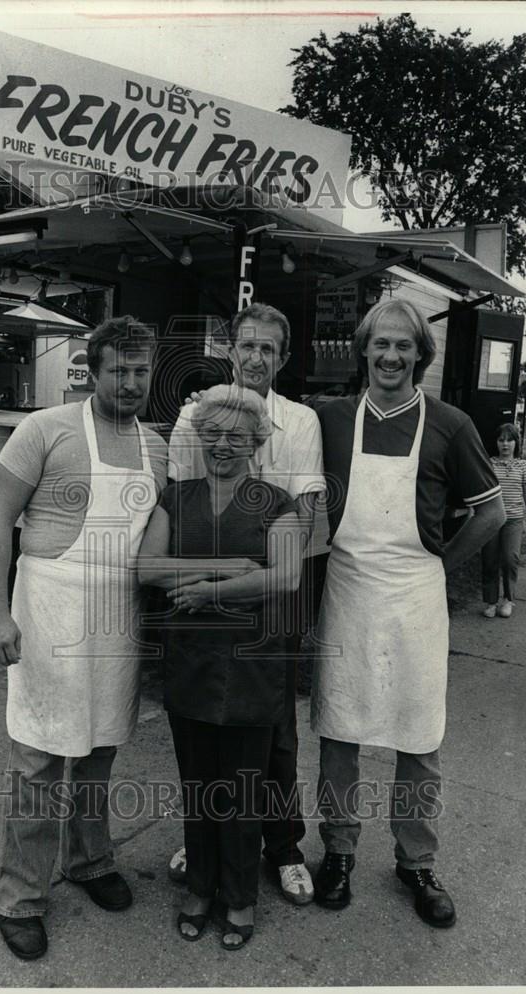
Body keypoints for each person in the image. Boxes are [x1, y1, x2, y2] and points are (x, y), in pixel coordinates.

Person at [312, 298, 505, 927]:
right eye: (380, 345)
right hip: (347, 591)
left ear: (420, 355)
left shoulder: (450, 424)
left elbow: (491, 512)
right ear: (363, 351)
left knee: (419, 737)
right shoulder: (332, 420)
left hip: (416, 596)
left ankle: (416, 861)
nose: (391, 356)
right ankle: (338, 852)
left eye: (403, 346)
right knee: (340, 728)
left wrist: (440, 564)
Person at [0, 316, 167, 961]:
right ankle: (21, 896)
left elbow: (157, 540)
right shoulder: (44, 430)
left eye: (142, 372)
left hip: (117, 619)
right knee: (38, 758)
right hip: (49, 610)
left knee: (99, 749)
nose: (132, 383)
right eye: (120, 370)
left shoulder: (156, 447)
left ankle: (90, 861)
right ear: (94, 369)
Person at [167, 302, 325, 906]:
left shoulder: (300, 422)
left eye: (268, 349)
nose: (256, 358)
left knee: (273, 731)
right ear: (231, 350)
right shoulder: (195, 417)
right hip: (204, 592)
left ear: (282, 359)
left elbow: (307, 514)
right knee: (204, 720)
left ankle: (282, 847)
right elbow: (181, 504)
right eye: (247, 346)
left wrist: (271, 577)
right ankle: (203, 841)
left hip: (275, 593)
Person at [138, 385, 304, 949]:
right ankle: (202, 887)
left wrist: (210, 591)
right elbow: (147, 570)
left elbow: (284, 578)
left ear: (257, 442)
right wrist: (229, 566)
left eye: (237, 436)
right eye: (213, 435)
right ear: (199, 439)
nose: (223, 445)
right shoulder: (174, 497)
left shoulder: (278, 503)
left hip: (254, 666)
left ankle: (239, 897)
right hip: (191, 663)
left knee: (245, 787)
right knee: (199, 782)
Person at [481, 423, 526, 619]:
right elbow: (482, 492)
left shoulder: (523, 466)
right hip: (492, 519)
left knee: (510, 559)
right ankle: (490, 601)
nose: (505, 444)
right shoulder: (488, 463)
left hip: (514, 520)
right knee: (489, 560)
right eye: (501, 440)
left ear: (516, 443)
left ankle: (508, 600)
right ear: (496, 443)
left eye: (509, 440)